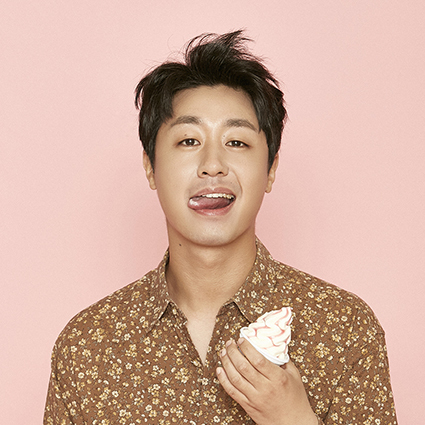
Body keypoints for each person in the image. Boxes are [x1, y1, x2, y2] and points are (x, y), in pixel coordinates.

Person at [44, 31, 398, 425]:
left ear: (271, 169)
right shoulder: (87, 346)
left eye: (237, 142)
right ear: (150, 166)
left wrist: (294, 418)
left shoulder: (344, 328)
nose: (213, 165)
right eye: (188, 140)